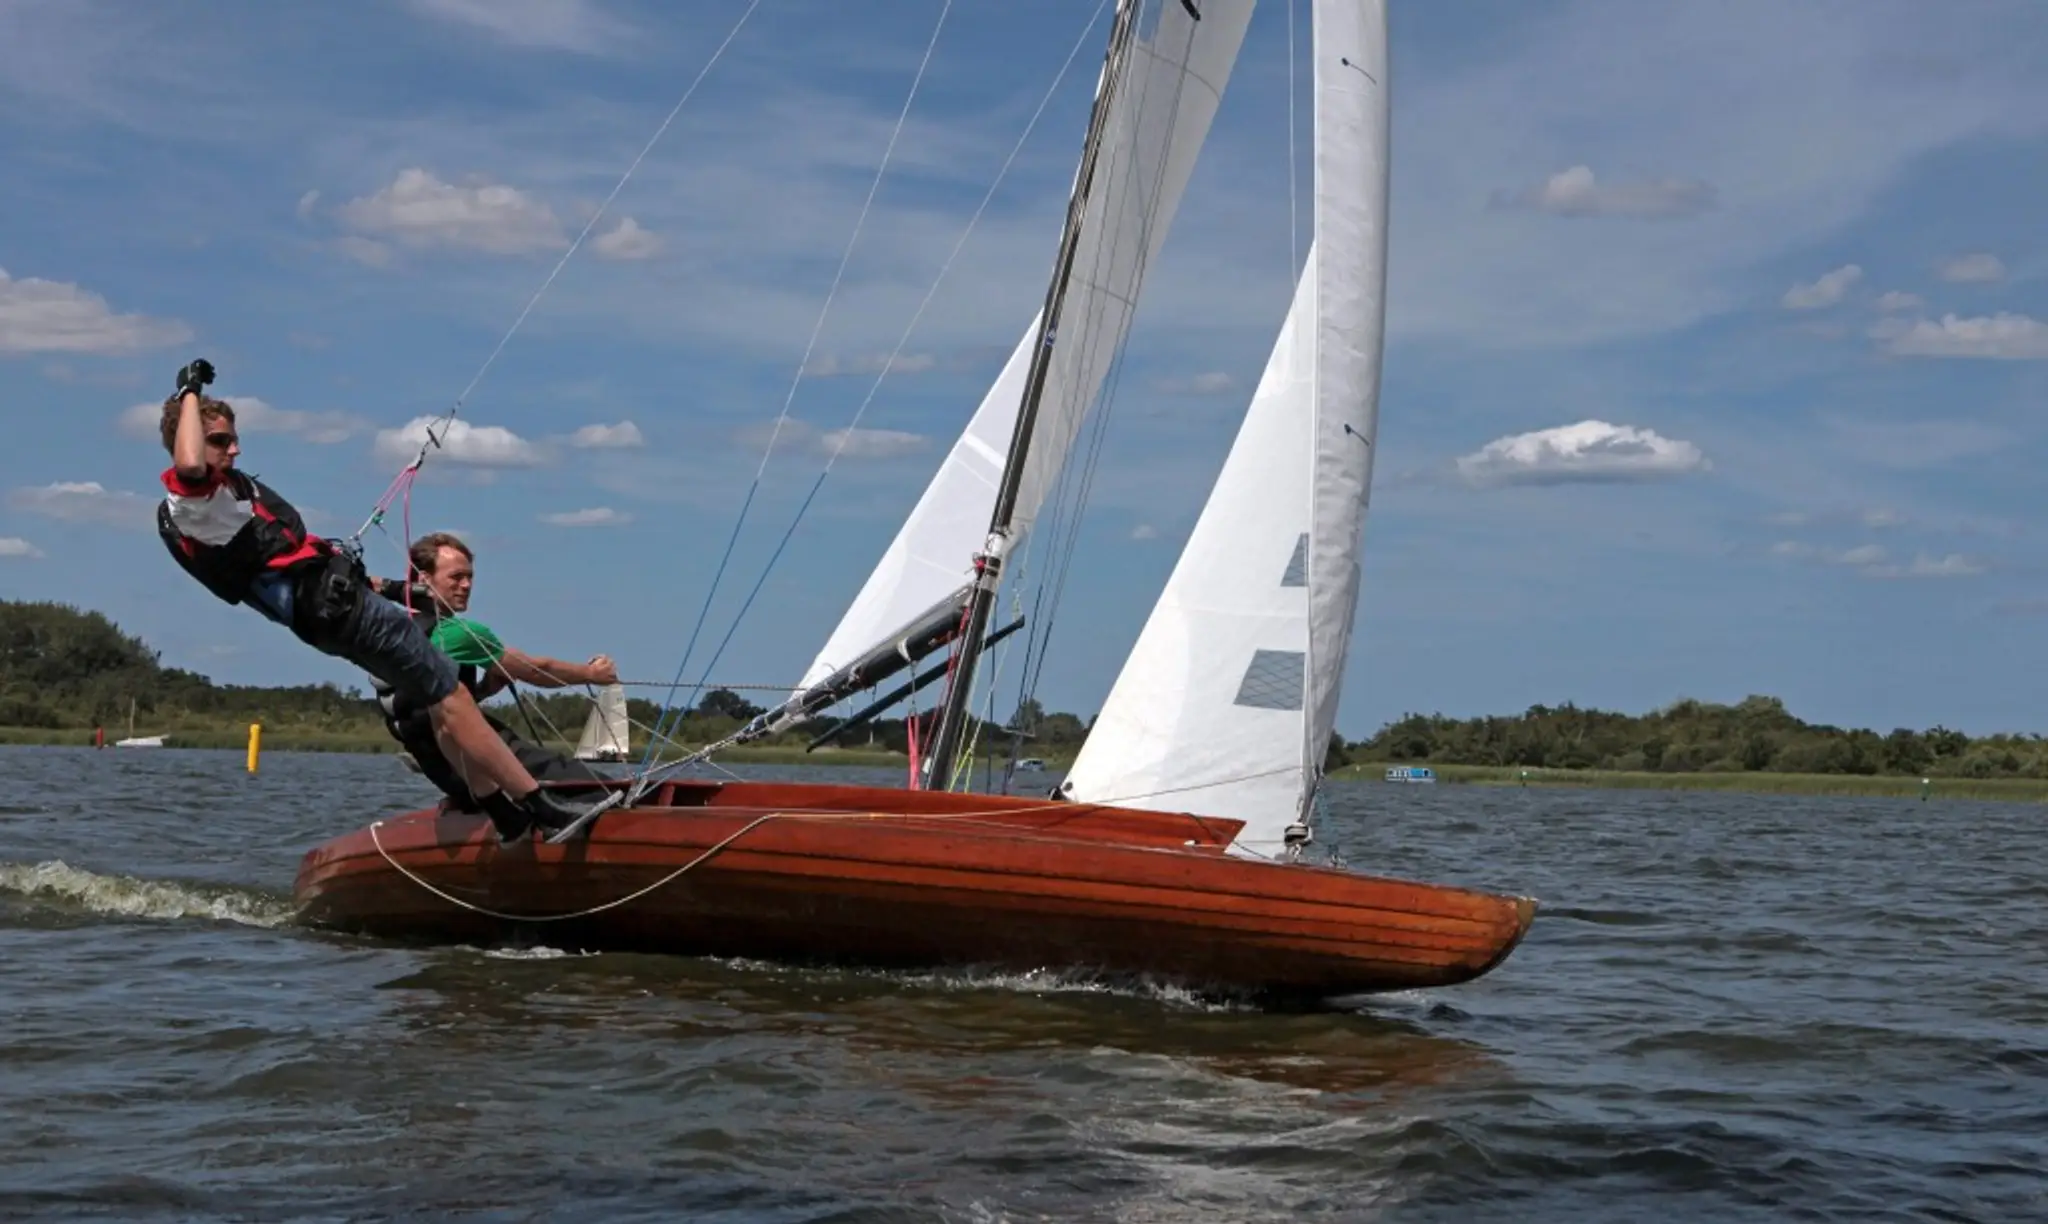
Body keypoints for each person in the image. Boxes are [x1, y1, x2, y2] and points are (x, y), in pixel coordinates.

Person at [154, 357, 610, 838]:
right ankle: (541, 809)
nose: (235, 448)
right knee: (452, 698)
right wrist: (189, 390)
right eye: (221, 440)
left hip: (328, 613)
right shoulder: (193, 499)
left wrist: (380, 584)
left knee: (444, 700)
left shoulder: (216, 501)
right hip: (340, 612)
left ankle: (506, 814)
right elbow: (188, 464)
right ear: (191, 438)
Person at [370, 531, 620, 837]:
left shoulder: (398, 637)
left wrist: (485, 688)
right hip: (487, 762)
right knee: (602, 789)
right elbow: (539, 670)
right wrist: (593, 675)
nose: (466, 585)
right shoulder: (460, 633)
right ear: (424, 580)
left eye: (470, 577)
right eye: (456, 576)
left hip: (449, 774)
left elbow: (433, 708)